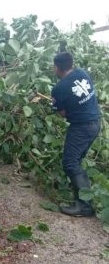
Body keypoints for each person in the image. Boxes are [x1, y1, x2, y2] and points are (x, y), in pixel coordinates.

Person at [51, 52, 101, 216]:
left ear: (57, 68)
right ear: (72, 64)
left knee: (70, 162)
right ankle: (83, 197)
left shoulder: (59, 89)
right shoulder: (83, 73)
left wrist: (56, 103)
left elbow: (63, 113)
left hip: (81, 127)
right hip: (95, 124)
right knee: (76, 161)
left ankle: (85, 206)